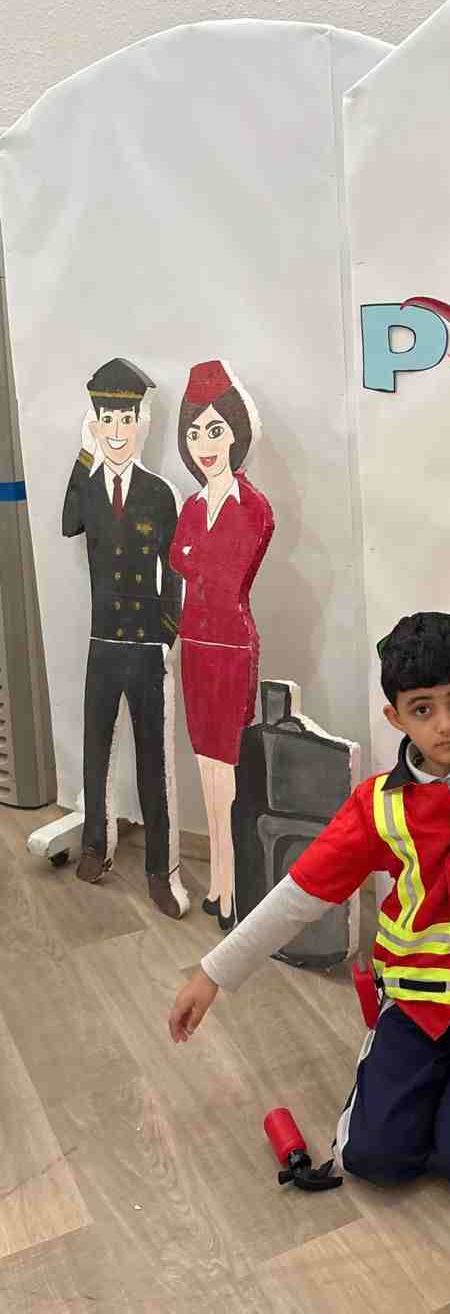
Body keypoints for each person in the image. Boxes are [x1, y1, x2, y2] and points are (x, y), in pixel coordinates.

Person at [168, 577, 450, 1190]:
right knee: (373, 1159)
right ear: (395, 717)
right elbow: (299, 895)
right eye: (423, 709)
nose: (446, 725)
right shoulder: (377, 807)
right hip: (420, 1000)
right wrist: (213, 973)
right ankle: (409, 1064)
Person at [62, 357, 186, 918]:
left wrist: (167, 633)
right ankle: (96, 847)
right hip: (102, 641)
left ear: (141, 423)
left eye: (126, 420)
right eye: (107, 420)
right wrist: (84, 452)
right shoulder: (89, 488)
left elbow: (176, 568)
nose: (117, 431)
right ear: (96, 423)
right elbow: (68, 522)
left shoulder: (159, 493)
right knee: (96, 751)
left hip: (145, 643)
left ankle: (161, 870)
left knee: (153, 761)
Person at [171, 359, 275, 933]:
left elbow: (220, 570)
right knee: (205, 765)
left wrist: (196, 559)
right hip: (194, 643)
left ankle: (232, 885)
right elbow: (179, 559)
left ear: (236, 431)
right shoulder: (191, 506)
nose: (205, 444)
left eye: (215, 429)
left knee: (227, 771)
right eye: (194, 433)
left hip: (232, 645)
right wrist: (196, 560)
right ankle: (217, 881)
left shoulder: (253, 506)